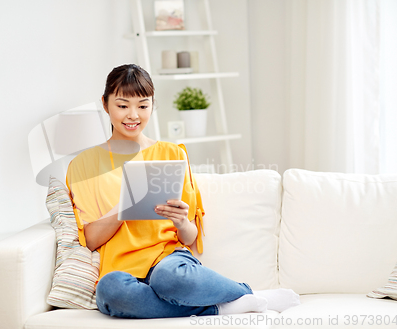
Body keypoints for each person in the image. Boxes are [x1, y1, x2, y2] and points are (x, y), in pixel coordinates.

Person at [66, 64, 300, 319]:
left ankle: (244, 294)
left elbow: (190, 236)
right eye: (122, 106)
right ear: (105, 103)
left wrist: (180, 220)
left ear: (153, 105)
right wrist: (124, 208)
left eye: (143, 106)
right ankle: (231, 302)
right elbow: (89, 240)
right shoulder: (84, 165)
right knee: (110, 292)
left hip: (168, 261)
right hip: (121, 270)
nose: (133, 115)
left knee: (170, 278)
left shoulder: (172, 155)